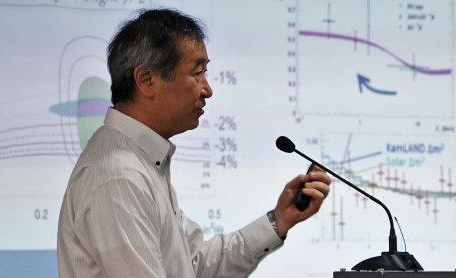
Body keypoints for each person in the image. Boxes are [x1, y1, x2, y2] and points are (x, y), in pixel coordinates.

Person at [57, 8, 331, 278]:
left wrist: (279, 221)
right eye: (197, 72)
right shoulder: (120, 177)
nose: (207, 90)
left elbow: (194, 264)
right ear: (146, 80)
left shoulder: (141, 160)